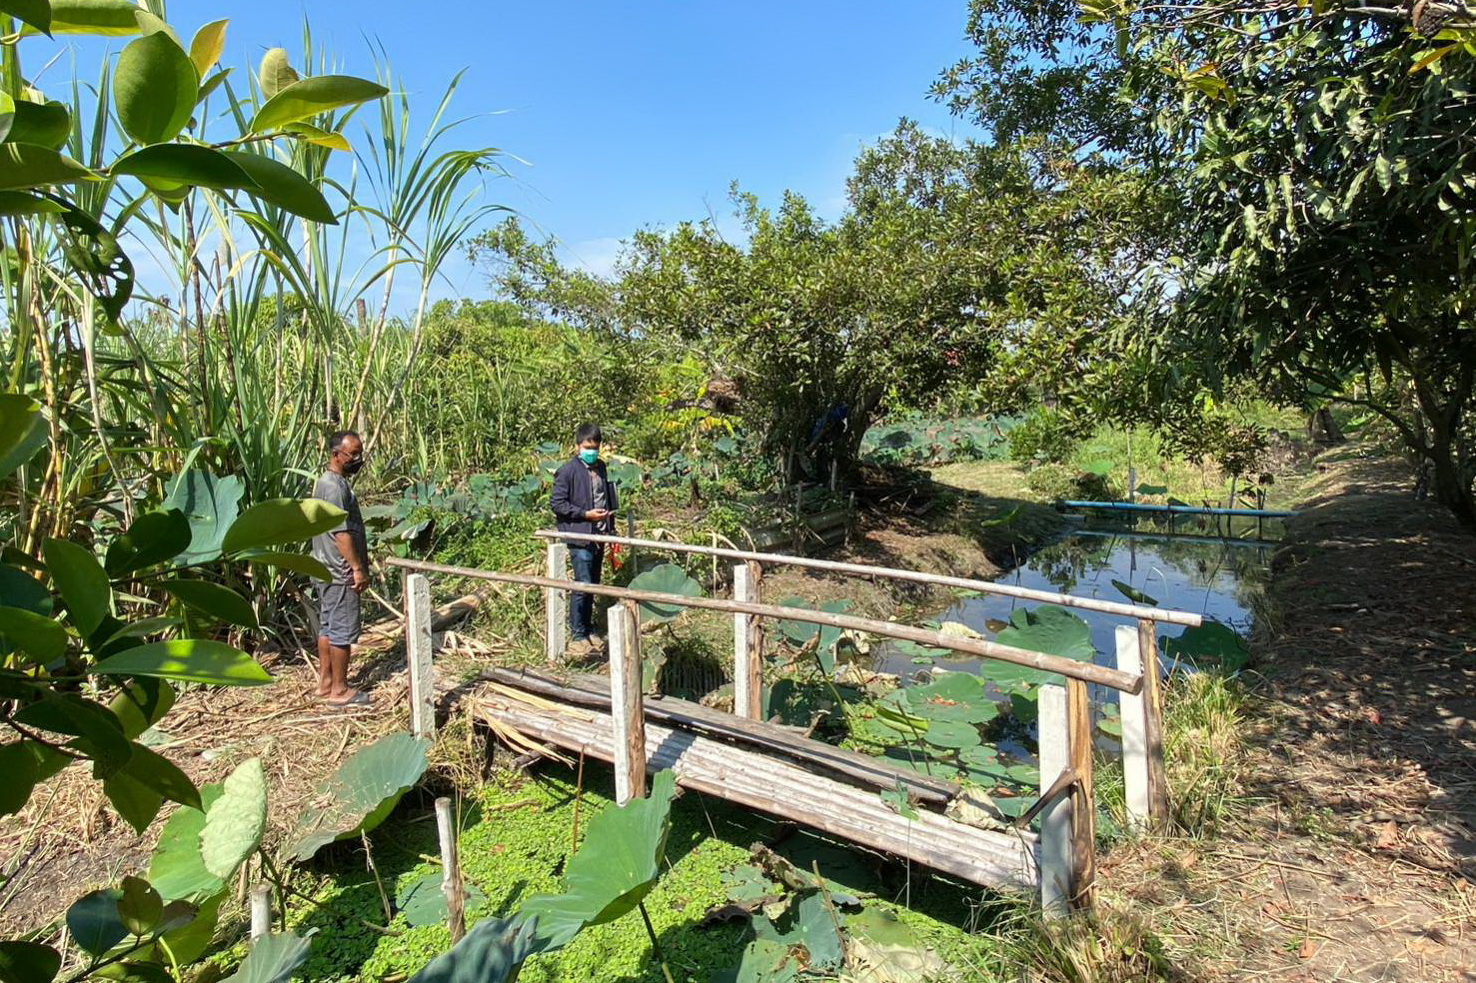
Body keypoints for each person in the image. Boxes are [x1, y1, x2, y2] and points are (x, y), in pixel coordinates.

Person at [311, 430, 371, 707]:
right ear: (336, 455)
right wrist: (357, 568)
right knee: (341, 632)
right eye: (353, 454)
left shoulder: (327, 483)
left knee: (327, 627)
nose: (358, 459)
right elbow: (341, 533)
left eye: (360, 453)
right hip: (339, 570)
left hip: (324, 567)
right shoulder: (334, 487)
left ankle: (324, 684)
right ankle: (339, 690)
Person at [550, 423, 618, 659]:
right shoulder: (567, 471)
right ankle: (578, 634)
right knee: (582, 584)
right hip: (580, 535)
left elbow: (605, 499)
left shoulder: (601, 467)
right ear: (577, 446)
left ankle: (588, 629)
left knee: (593, 584)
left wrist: (610, 528)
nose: (592, 451)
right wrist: (584, 514)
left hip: (598, 534)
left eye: (595, 447)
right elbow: (557, 504)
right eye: (588, 447)